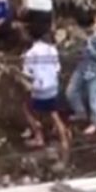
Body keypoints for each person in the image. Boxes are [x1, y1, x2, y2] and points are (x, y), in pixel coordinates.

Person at [21, 27, 70, 155]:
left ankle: (39, 136)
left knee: (27, 108)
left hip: (41, 89)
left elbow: (28, 73)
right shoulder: (52, 49)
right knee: (53, 113)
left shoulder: (30, 54)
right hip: (53, 87)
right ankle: (64, 140)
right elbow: (57, 68)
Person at [66, 7, 96, 136]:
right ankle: (80, 112)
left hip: (93, 73)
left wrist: (89, 47)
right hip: (81, 68)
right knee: (70, 92)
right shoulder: (82, 34)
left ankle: (95, 123)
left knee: (93, 98)